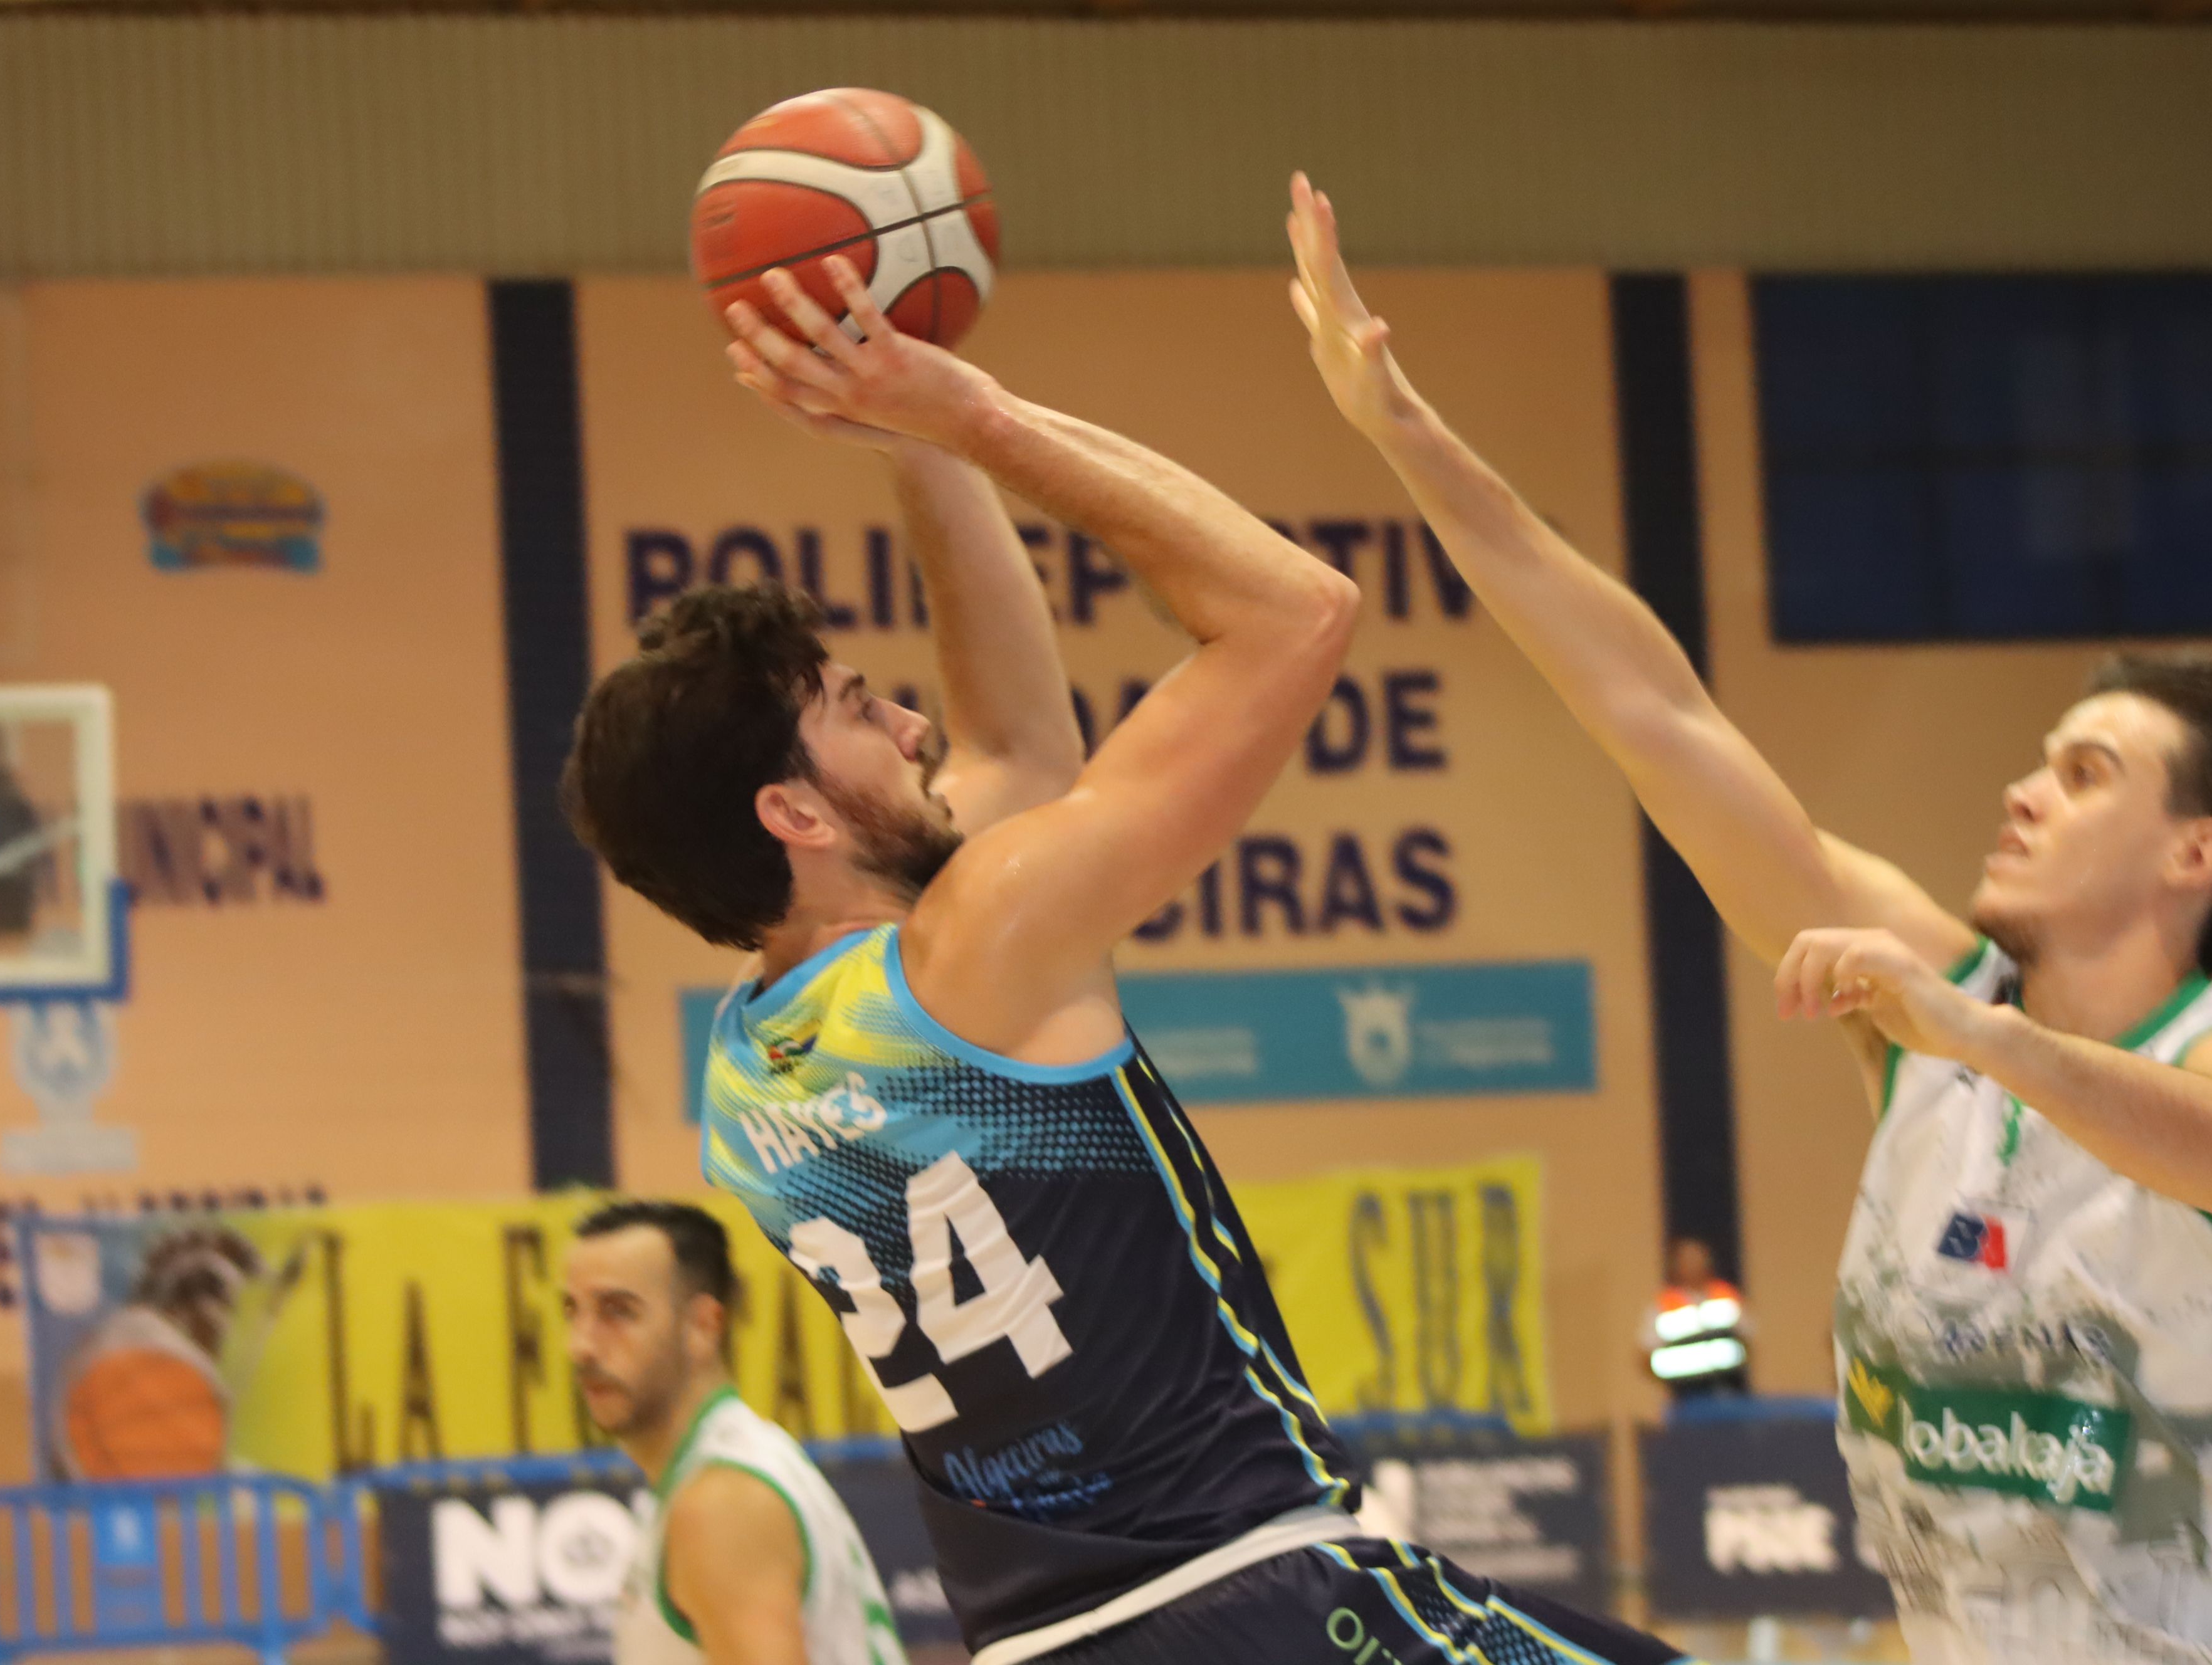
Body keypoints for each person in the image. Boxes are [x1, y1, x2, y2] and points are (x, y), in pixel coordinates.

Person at [1285, 172, 2212, 1664]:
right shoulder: (1928, 1012)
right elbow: (1652, 708)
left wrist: (1986, 1035)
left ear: (2195, 854)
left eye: (2084, 770)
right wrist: (1402, 431)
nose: (2023, 789)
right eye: (2039, 757)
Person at [562, 258, 1685, 1665]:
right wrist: (970, 412)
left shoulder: (742, 1076)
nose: (911, 722)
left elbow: (1018, 754)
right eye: (858, 709)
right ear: (790, 812)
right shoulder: (977, 946)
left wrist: (899, 432)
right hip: (1257, 1597)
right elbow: (1294, 608)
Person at [563, 1199, 906, 1665]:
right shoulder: (726, 1468)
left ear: (702, 1326)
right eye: (572, 1311)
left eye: (617, 1312)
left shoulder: (721, 1503)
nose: (581, 1346)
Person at [1638, 1237, 1749, 1402]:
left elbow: (1747, 1340)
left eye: (1698, 1259)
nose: (1693, 1265)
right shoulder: (1664, 1306)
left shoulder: (1726, 1296)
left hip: (1729, 1390)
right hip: (1684, 1395)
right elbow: (1645, 1355)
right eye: (1686, 1260)